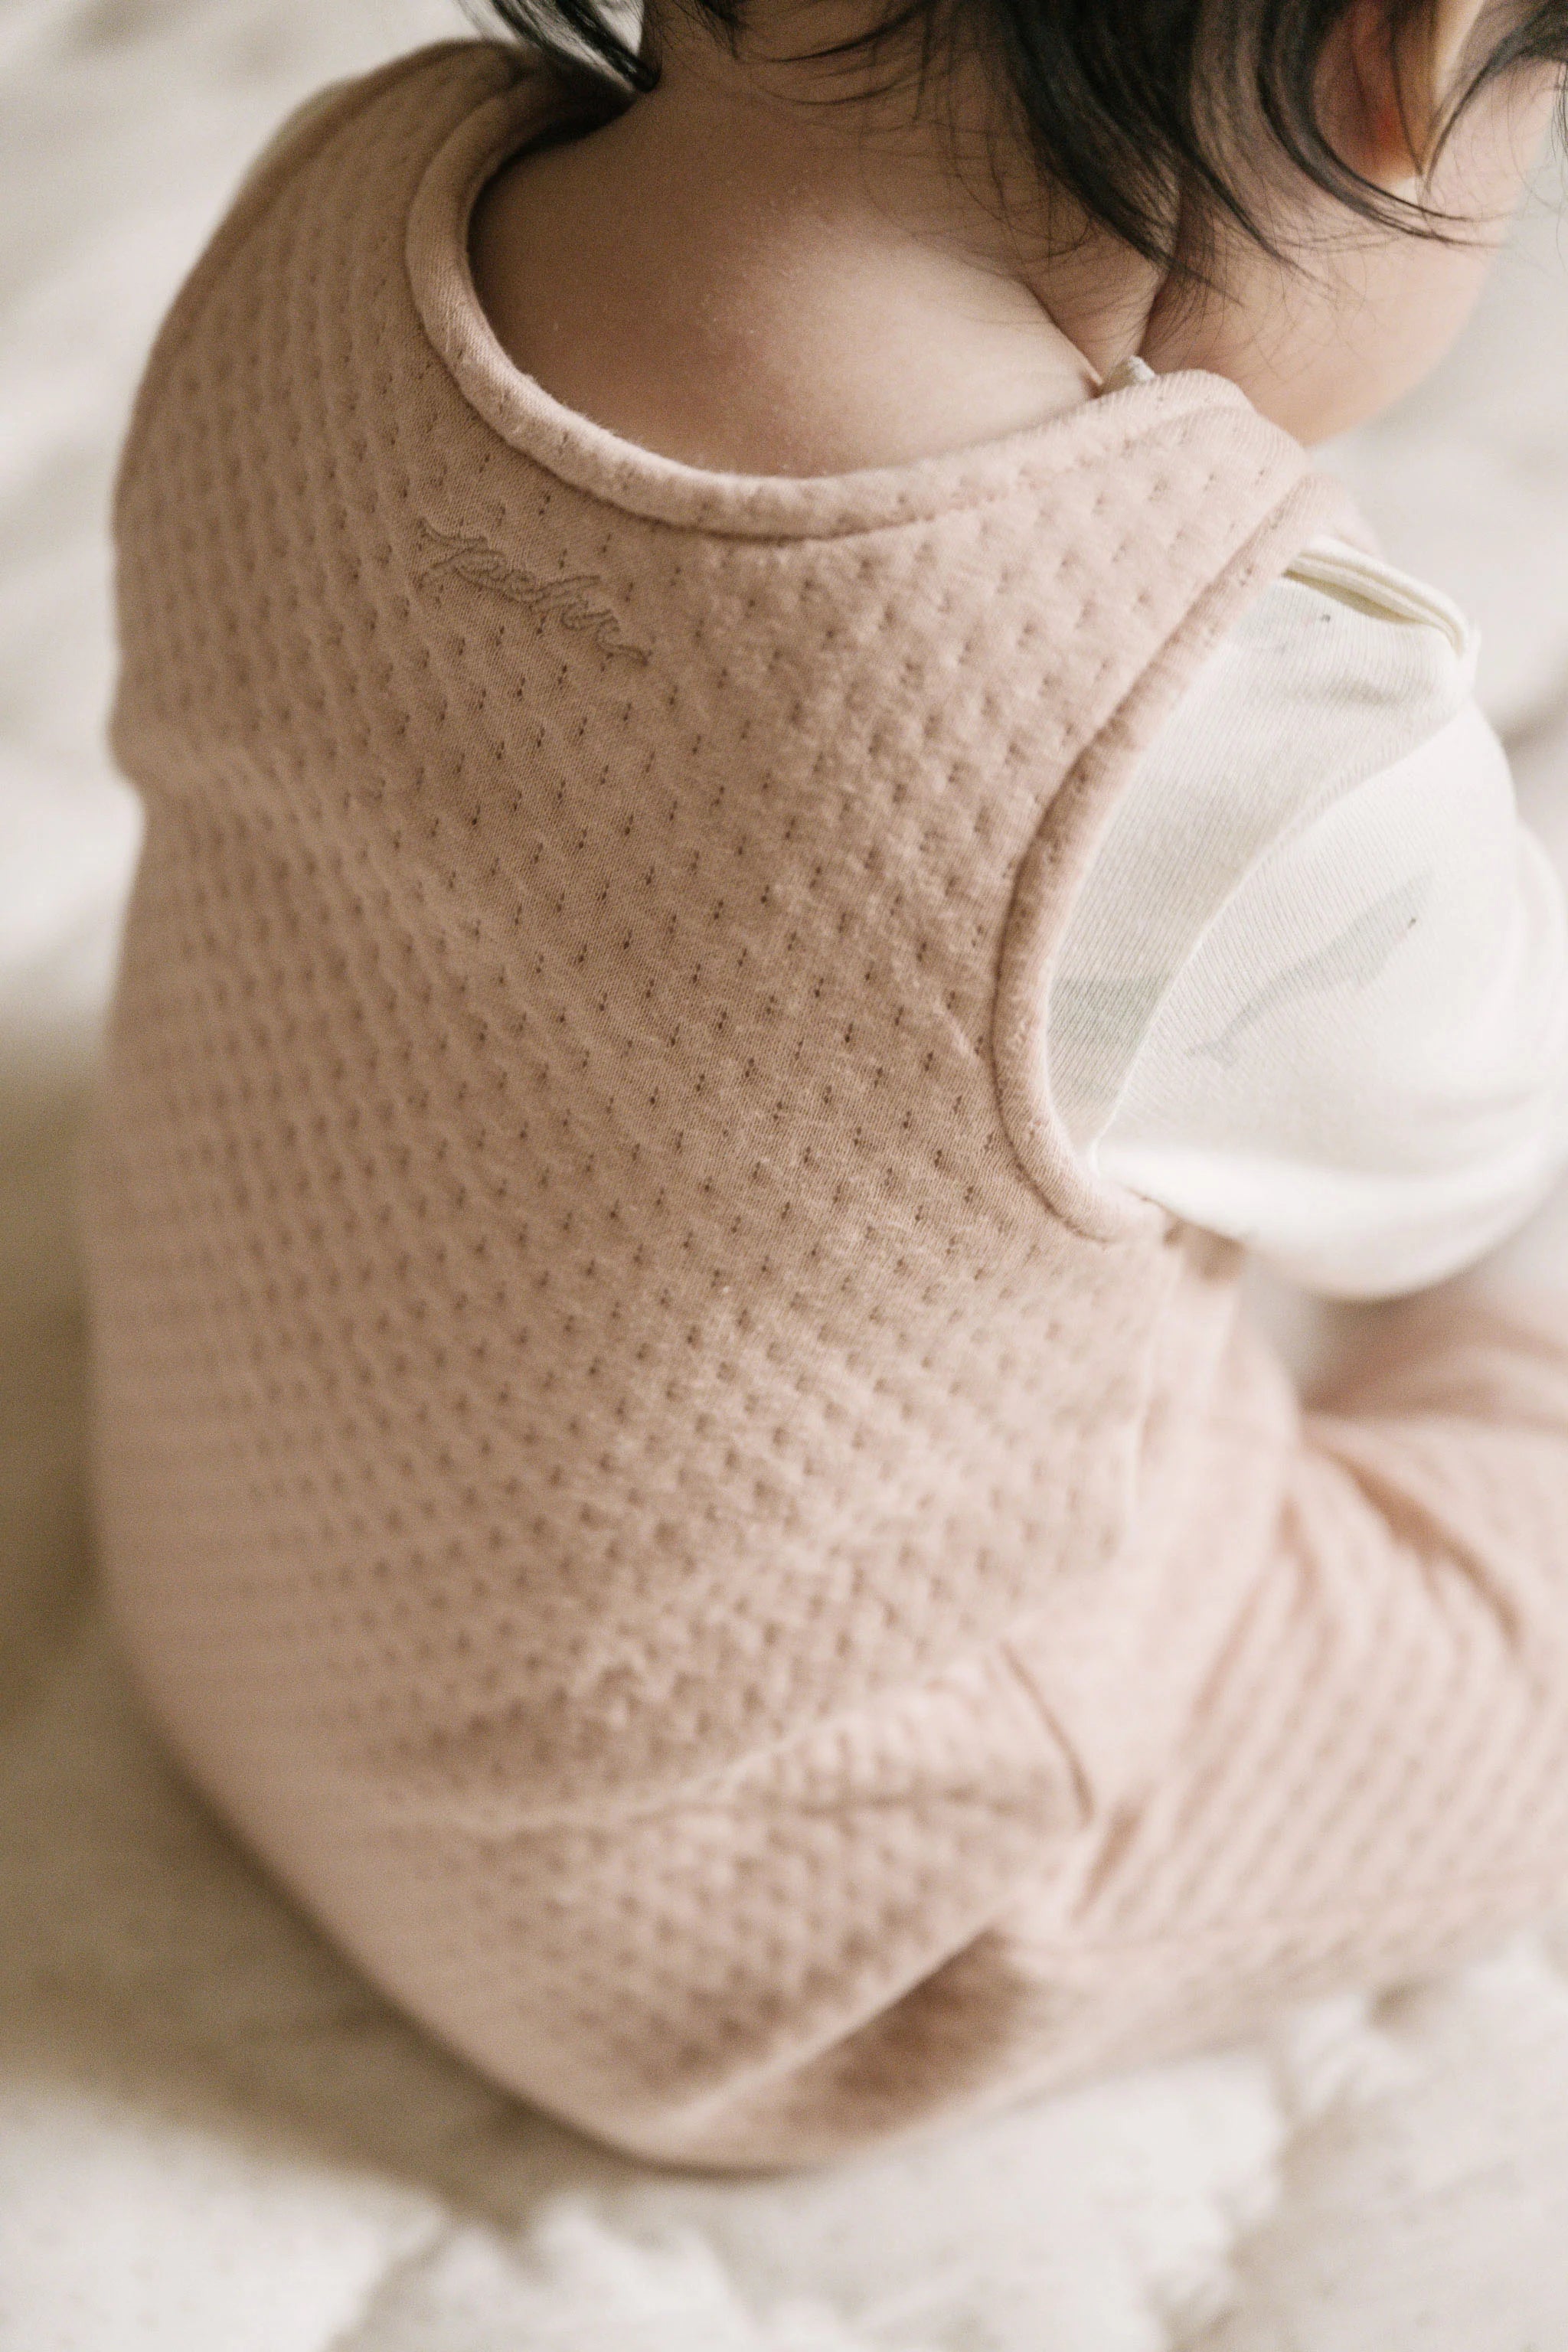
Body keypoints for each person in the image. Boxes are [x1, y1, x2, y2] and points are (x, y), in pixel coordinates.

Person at [78, 0, 1568, 2170]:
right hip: (786, 1939)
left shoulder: (332, 204)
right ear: (1403, 66)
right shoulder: (1226, 705)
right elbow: (1458, 1167)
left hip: (239, 1619)